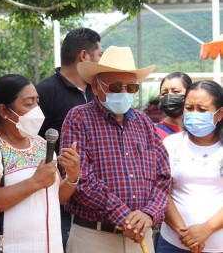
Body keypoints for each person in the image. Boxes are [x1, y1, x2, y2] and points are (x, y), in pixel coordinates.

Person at [60, 46, 172, 253]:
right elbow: (80, 179)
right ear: (95, 86)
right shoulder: (78, 118)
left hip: (141, 234)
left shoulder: (144, 122)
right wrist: (124, 216)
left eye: (131, 88)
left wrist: (149, 214)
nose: (123, 92)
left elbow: (163, 176)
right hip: (94, 238)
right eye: (116, 86)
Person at [0, 74, 80, 252]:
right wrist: (34, 182)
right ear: (4, 111)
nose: (36, 109)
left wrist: (72, 176)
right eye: (28, 103)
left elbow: (54, 198)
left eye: (37, 102)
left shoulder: (41, 144)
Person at [36, 27, 102, 250]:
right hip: (60, 202)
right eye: (99, 55)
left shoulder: (98, 92)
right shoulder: (44, 92)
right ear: (85, 56)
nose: (100, 62)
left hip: (96, 202)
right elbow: (31, 144)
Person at [156, 80, 223, 253]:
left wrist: (207, 228)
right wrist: (184, 233)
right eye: (189, 108)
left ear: (220, 114)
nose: (194, 114)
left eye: (202, 110)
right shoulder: (171, 144)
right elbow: (161, 191)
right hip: (173, 243)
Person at [156, 72, 192, 139]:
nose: (169, 96)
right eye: (164, 93)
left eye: (175, 91)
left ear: (189, 93)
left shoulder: (199, 128)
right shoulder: (155, 133)